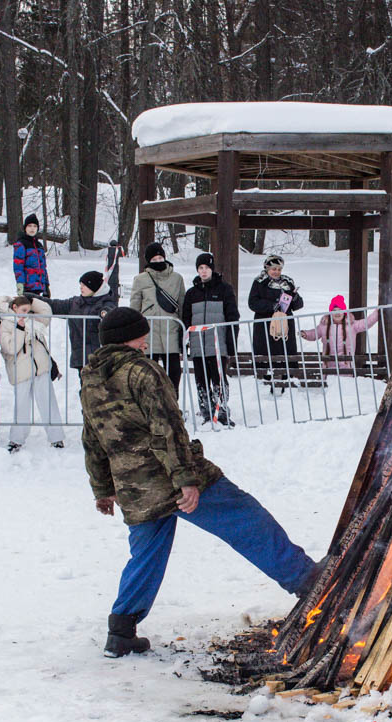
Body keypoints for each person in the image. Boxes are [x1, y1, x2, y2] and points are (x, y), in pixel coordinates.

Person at [80, 308, 318, 657]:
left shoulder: (91, 379)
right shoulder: (142, 371)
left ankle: (121, 630)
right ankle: (307, 579)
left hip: (134, 487)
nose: (146, 342)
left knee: (146, 555)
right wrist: (186, 480)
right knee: (245, 518)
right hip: (168, 477)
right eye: (142, 336)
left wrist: (102, 488)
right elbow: (168, 428)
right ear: (129, 338)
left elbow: (93, 436)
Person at [0, 293, 65, 452]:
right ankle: (16, 439)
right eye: (23, 310)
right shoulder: (6, 323)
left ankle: (56, 437)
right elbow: (10, 348)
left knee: (48, 402)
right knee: (22, 405)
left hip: (41, 367)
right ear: (14, 308)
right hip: (20, 370)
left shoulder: (34, 321)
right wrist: (20, 329)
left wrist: (31, 300)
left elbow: (46, 311)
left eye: (28, 310)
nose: (26, 313)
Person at [181, 252, 239, 425]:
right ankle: (206, 411)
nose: (204, 271)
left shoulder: (224, 289)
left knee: (218, 378)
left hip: (218, 343)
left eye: (207, 267)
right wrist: (184, 341)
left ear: (212, 269)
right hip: (198, 344)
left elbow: (232, 316)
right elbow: (186, 319)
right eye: (200, 268)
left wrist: (231, 341)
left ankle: (221, 411)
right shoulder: (191, 293)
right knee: (201, 379)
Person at [129, 242, 185, 394]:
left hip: (170, 331)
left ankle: (172, 400)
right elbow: (135, 306)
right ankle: (150, 402)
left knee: (174, 372)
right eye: (154, 259)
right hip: (149, 333)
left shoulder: (177, 278)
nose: (158, 261)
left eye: (160, 258)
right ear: (149, 261)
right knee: (148, 373)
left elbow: (182, 304)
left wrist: (183, 329)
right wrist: (134, 332)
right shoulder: (140, 280)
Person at [46, 270, 117, 376]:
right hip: (81, 356)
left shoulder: (106, 302)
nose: (81, 288)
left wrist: (104, 313)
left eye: (84, 285)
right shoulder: (75, 303)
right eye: (80, 285)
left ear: (94, 287)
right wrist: (30, 298)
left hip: (100, 357)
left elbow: (110, 311)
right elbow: (54, 305)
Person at [248, 254, 304, 388]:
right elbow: (253, 302)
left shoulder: (287, 282)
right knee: (265, 350)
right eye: (273, 269)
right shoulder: (259, 282)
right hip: (265, 325)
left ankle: (288, 378)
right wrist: (272, 306)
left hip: (285, 324)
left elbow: (298, 305)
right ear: (267, 269)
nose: (276, 272)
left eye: (279, 269)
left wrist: (295, 298)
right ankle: (263, 380)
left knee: (286, 350)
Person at [300, 294, 379, 370]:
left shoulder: (351, 325)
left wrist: (377, 313)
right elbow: (314, 333)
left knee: (344, 378)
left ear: (344, 312)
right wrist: (306, 334)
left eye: (340, 310)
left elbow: (366, 323)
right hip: (328, 365)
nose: (337, 313)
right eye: (334, 310)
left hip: (346, 365)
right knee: (330, 378)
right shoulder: (324, 325)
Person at [13, 214, 50, 296]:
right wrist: (20, 284)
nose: (32, 228)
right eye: (29, 226)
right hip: (27, 287)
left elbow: (43, 268)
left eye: (35, 226)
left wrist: (46, 286)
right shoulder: (21, 244)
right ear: (25, 228)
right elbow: (18, 267)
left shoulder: (39, 246)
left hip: (39, 288)